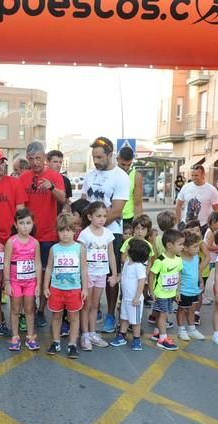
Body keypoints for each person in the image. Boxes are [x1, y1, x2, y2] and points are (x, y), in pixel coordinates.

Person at [81, 136, 130, 336]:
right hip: (89, 235)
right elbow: (84, 202)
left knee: (111, 275)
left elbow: (117, 210)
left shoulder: (121, 177)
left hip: (111, 234)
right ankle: (94, 310)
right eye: (94, 157)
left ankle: (110, 313)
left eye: (100, 157)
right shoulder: (90, 176)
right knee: (89, 273)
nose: (96, 161)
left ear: (110, 155)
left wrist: (97, 225)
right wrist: (88, 229)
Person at [19, 141, 67, 329]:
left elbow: (62, 199)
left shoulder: (55, 176)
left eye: (38, 158)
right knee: (26, 275)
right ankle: (25, 311)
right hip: (28, 235)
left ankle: (40, 311)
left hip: (48, 235)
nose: (35, 162)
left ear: (44, 157)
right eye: (31, 159)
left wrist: (51, 188)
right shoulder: (23, 178)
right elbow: (20, 207)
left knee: (45, 274)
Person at [44, 213, 87, 359]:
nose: (65, 234)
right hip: (56, 289)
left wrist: (85, 288)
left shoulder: (79, 248)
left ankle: (72, 344)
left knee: (74, 317)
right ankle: (56, 342)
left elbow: (84, 269)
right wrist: (45, 287)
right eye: (62, 230)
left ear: (74, 231)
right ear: (57, 231)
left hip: (74, 290)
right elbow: (49, 269)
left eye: (68, 230)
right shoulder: (54, 249)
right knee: (56, 317)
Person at [78, 201, 118, 350]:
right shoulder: (84, 234)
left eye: (104, 216)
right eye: (98, 216)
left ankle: (93, 333)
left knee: (95, 305)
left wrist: (114, 274)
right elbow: (81, 257)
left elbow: (111, 255)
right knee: (86, 306)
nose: (102, 219)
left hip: (101, 274)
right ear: (90, 217)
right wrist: (83, 276)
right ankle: (85, 335)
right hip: (88, 275)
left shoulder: (108, 234)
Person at [4, 208, 41, 352]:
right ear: (15, 224)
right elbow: (6, 262)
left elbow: (37, 263)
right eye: (22, 223)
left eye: (28, 223)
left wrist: (38, 283)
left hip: (30, 281)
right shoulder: (11, 242)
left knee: (30, 308)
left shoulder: (35, 243)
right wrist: (6, 282)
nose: (25, 226)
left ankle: (30, 336)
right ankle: (15, 336)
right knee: (15, 308)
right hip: (15, 280)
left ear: (33, 224)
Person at [149, 229, 185, 351]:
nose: (182, 247)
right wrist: (151, 291)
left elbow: (178, 275)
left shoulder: (178, 259)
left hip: (171, 292)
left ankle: (157, 332)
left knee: (162, 314)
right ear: (169, 245)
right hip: (161, 293)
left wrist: (178, 291)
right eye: (180, 244)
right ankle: (162, 339)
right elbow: (151, 275)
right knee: (164, 315)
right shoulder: (160, 260)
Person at [115, 239, 149, 351]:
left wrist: (137, 297)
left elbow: (141, 281)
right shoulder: (127, 264)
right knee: (124, 317)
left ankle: (136, 339)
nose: (126, 249)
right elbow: (122, 276)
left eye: (128, 247)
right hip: (126, 298)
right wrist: (115, 280)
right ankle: (121, 336)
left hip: (135, 300)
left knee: (135, 321)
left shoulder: (138, 266)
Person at [176, 231, 205, 342]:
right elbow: (177, 276)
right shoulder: (179, 260)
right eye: (195, 246)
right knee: (182, 310)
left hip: (194, 290)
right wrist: (177, 291)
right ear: (185, 248)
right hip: (184, 290)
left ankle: (192, 329)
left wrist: (201, 281)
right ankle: (181, 330)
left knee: (192, 309)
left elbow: (197, 270)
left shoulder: (196, 257)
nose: (198, 249)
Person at [174, 165, 218, 232]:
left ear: (203, 175)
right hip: (185, 225)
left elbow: (217, 210)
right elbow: (178, 205)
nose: (193, 178)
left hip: (203, 226)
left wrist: (215, 227)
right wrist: (178, 222)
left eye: (196, 175)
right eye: (192, 175)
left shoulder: (211, 190)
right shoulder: (186, 187)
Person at [116, 146, 144, 224]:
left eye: (129, 165)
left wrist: (139, 224)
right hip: (111, 216)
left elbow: (138, 203)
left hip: (128, 218)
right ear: (117, 159)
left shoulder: (136, 176)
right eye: (123, 164)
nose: (125, 168)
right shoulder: (111, 173)